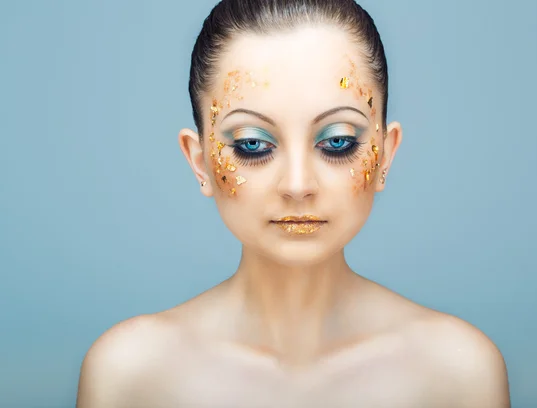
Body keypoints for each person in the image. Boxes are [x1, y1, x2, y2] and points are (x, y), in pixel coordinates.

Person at [76, 0, 510, 406]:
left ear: (386, 153)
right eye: (252, 144)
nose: (298, 185)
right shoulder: (130, 374)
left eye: (338, 142)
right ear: (200, 161)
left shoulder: (459, 373)